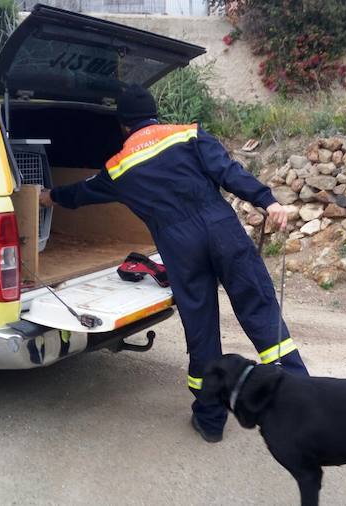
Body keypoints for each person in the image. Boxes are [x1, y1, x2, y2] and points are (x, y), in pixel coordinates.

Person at [39, 84, 308, 443]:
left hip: (181, 248)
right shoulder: (188, 134)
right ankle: (303, 402)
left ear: (123, 126)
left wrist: (49, 197)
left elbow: (82, 192)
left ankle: (211, 421)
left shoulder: (118, 167)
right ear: (155, 114)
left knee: (202, 331)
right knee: (260, 312)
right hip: (222, 230)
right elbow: (229, 171)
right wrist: (268, 201)